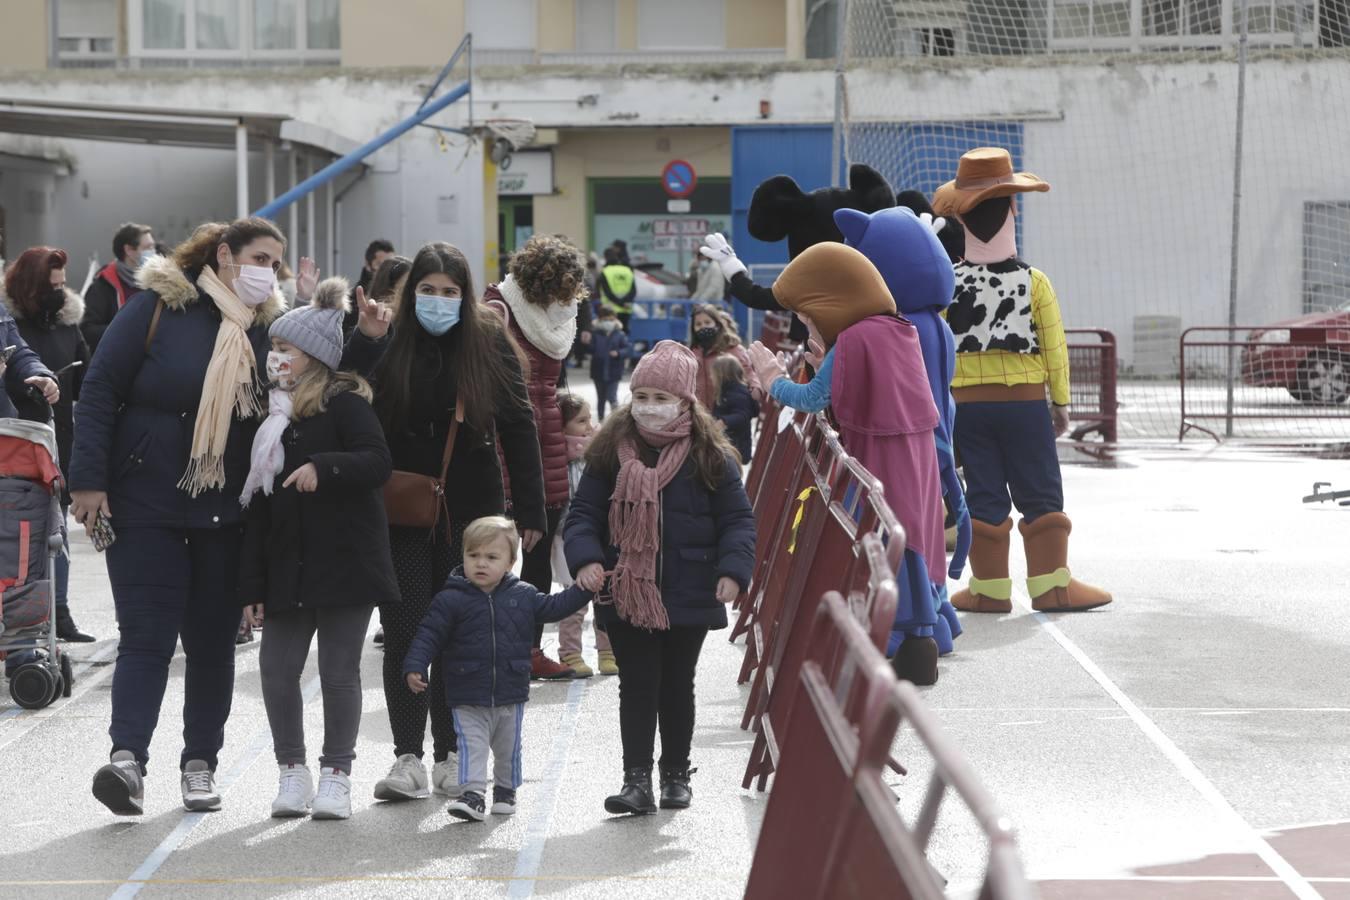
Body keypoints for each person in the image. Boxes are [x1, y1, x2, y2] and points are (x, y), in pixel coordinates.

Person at [69, 217, 390, 817]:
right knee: (146, 638)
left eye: (276, 262)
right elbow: (99, 389)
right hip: (147, 504)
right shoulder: (157, 308)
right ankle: (127, 760)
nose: (269, 271)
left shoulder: (270, 324)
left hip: (226, 513)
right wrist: (88, 480)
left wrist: (368, 341)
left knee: (213, 645)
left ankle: (199, 764)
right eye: (259, 257)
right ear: (223, 254)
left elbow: (323, 374)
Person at [362, 241, 546, 805]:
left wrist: (531, 512)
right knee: (407, 630)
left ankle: (450, 754)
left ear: (465, 296)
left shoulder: (488, 341)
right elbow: (349, 398)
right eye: (427, 290)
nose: (438, 301)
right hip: (400, 507)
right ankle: (407, 757)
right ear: (409, 290)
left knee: (458, 631)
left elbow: (519, 424)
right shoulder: (389, 339)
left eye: (449, 292)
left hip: (471, 508)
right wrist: (365, 341)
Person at [565, 341, 756, 815]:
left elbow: (738, 521)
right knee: (637, 682)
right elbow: (583, 514)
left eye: (661, 397)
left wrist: (734, 570)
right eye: (642, 396)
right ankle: (636, 780)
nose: (650, 408)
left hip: (690, 587)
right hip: (625, 588)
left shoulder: (711, 455)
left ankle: (675, 773)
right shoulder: (609, 452)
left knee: (676, 683)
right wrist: (587, 559)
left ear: (686, 400)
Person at [748, 242, 949, 686]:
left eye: (807, 317)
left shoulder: (855, 339)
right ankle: (922, 634)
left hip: (879, 455)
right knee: (910, 530)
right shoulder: (897, 328)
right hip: (916, 451)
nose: (807, 327)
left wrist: (771, 380)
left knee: (876, 530)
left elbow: (812, 399)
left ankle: (885, 638)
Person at [238, 276, 399, 821]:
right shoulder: (271, 418)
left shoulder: (346, 403)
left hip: (346, 562)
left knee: (338, 672)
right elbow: (257, 505)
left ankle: (336, 774)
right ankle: (292, 771)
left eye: (286, 349)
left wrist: (322, 467)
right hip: (288, 563)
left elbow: (377, 462)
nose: (275, 358)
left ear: (315, 358)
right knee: (278, 670)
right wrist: (252, 584)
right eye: (275, 348)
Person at [932, 147, 1111, 614]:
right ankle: (1052, 587)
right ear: (1013, 209)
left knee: (984, 490)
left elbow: (936, 349)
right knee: (1040, 488)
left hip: (966, 408)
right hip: (1026, 404)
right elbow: (1055, 347)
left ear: (962, 219)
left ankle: (989, 589)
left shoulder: (946, 284)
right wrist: (1062, 402)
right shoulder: (1035, 282)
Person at [403, 516, 592, 821]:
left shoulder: (524, 595)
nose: (481, 563)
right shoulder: (450, 599)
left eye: (491, 557)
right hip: (467, 693)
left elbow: (555, 606)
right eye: (473, 555)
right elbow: (428, 634)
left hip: (510, 692)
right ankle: (473, 795)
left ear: (511, 561)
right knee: (470, 747)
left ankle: (505, 790)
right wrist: (415, 665)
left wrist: (584, 589)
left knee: (508, 750)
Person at [482, 234, 588, 681]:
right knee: (493, 548)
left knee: (539, 548)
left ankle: (527, 651)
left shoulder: (557, 316)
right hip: (505, 434)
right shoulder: (498, 310)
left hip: (546, 438)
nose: (566, 300)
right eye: (560, 289)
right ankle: (490, 649)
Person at [3, 246, 94, 642]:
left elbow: (20, 352)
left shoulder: (62, 323)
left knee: (44, 528)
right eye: (51, 284)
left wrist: (40, 375)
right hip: (18, 430)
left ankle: (47, 616)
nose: (59, 291)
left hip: (34, 440)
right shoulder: (18, 313)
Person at [551, 395, 616, 678]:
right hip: (569, 538)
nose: (589, 426)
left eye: (590, 419)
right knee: (574, 599)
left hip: (602, 535)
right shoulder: (558, 460)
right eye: (580, 421)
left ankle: (608, 651)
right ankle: (570, 654)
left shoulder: (600, 454)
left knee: (606, 596)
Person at [81, 222, 156, 356]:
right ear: (129, 250)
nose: (153, 252)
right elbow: (87, 330)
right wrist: (125, 331)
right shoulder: (102, 286)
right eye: (147, 248)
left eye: (153, 247)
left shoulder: (158, 283)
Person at [688, 304, 760, 410]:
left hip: (728, 413)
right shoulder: (692, 353)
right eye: (698, 324)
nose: (703, 327)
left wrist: (755, 390)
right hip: (700, 415)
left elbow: (749, 373)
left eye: (707, 322)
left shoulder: (733, 349)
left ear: (717, 324)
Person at [709, 355, 758, 465]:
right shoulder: (727, 391)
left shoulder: (737, 394)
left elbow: (743, 415)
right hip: (730, 447)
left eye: (713, 374)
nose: (711, 377)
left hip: (736, 447)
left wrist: (724, 421)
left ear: (722, 375)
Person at [347, 239, 396, 336]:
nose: (385, 270)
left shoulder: (398, 294)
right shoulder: (352, 298)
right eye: (380, 264)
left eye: (390, 265)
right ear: (368, 264)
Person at [589, 307, 630, 420]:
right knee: (601, 398)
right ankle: (601, 421)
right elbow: (590, 350)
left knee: (612, 397)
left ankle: (616, 422)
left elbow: (627, 349)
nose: (608, 322)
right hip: (598, 371)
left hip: (614, 371)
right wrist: (586, 343)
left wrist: (618, 353)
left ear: (615, 319)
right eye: (605, 319)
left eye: (611, 319)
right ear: (600, 319)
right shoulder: (595, 333)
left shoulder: (619, 334)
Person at [598, 247, 637, 332]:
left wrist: (620, 303)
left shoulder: (605, 271)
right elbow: (633, 291)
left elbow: (607, 292)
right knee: (624, 336)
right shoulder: (627, 270)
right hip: (626, 310)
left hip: (609, 311)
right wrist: (624, 303)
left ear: (605, 258)